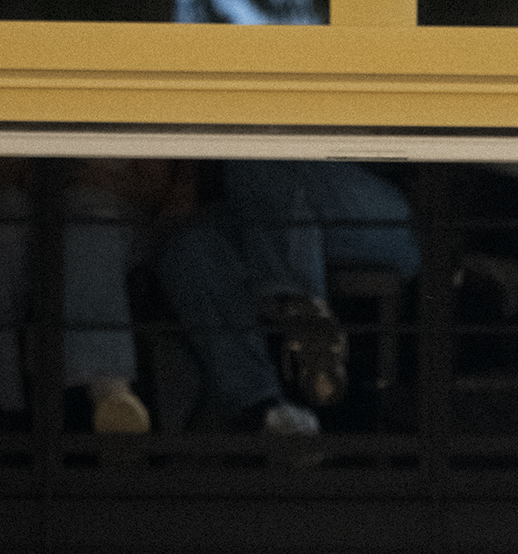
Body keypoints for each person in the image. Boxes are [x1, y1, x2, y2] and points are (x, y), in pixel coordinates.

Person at [0, 0, 154, 440]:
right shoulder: (1, 56)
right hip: (12, 207)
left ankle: (111, 394)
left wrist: (84, 179)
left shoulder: (136, 58)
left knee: (85, 223)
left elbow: (159, 184)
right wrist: (35, 173)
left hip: (106, 214)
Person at [152, 159, 420, 437]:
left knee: (261, 161)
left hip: (377, 212)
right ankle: (264, 408)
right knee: (189, 248)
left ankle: (299, 309)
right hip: (262, 211)